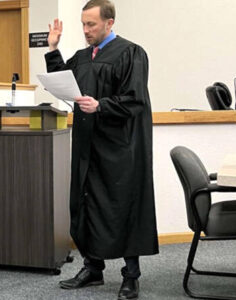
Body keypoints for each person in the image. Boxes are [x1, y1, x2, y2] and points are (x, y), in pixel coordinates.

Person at [45, 1, 159, 299]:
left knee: (122, 206)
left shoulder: (131, 53)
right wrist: (52, 50)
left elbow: (135, 100)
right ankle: (92, 268)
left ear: (109, 23)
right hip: (87, 144)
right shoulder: (83, 57)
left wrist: (101, 105)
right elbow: (63, 83)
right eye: (83, 24)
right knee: (86, 204)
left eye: (91, 24)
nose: (86, 30)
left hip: (119, 147)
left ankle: (130, 276)